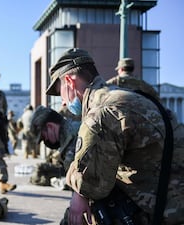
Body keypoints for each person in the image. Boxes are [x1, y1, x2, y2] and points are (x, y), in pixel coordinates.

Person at [46, 48, 183, 225]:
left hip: (161, 210)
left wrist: (77, 192)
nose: (64, 102)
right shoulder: (125, 96)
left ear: (69, 82)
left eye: (61, 93)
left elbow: (91, 183)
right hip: (171, 197)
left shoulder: (102, 113)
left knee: (83, 213)